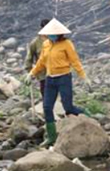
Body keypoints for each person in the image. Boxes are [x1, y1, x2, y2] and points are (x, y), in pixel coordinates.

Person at [26, 19, 89, 147]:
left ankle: (88, 116)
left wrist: (83, 76)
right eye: (48, 34)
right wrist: (31, 73)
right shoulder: (46, 45)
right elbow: (41, 62)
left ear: (59, 33)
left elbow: (75, 61)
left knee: (68, 108)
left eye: (52, 34)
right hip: (50, 79)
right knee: (47, 107)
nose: (50, 36)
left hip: (64, 78)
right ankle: (51, 137)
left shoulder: (67, 44)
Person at [24, 18, 51, 98]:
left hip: (56, 72)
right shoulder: (35, 43)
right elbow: (29, 59)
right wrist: (30, 73)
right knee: (46, 94)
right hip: (43, 73)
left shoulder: (56, 40)